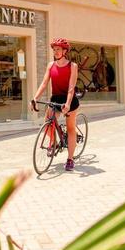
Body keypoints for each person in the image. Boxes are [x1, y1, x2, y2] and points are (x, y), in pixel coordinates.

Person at [31, 38, 79, 171]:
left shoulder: (72, 66)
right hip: (56, 99)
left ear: (65, 51)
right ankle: (54, 142)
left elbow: (71, 87)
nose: (55, 51)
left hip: (69, 100)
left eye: (58, 49)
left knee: (70, 129)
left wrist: (68, 104)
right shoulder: (51, 65)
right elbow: (44, 83)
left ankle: (70, 159)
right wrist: (35, 98)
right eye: (54, 49)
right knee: (48, 124)